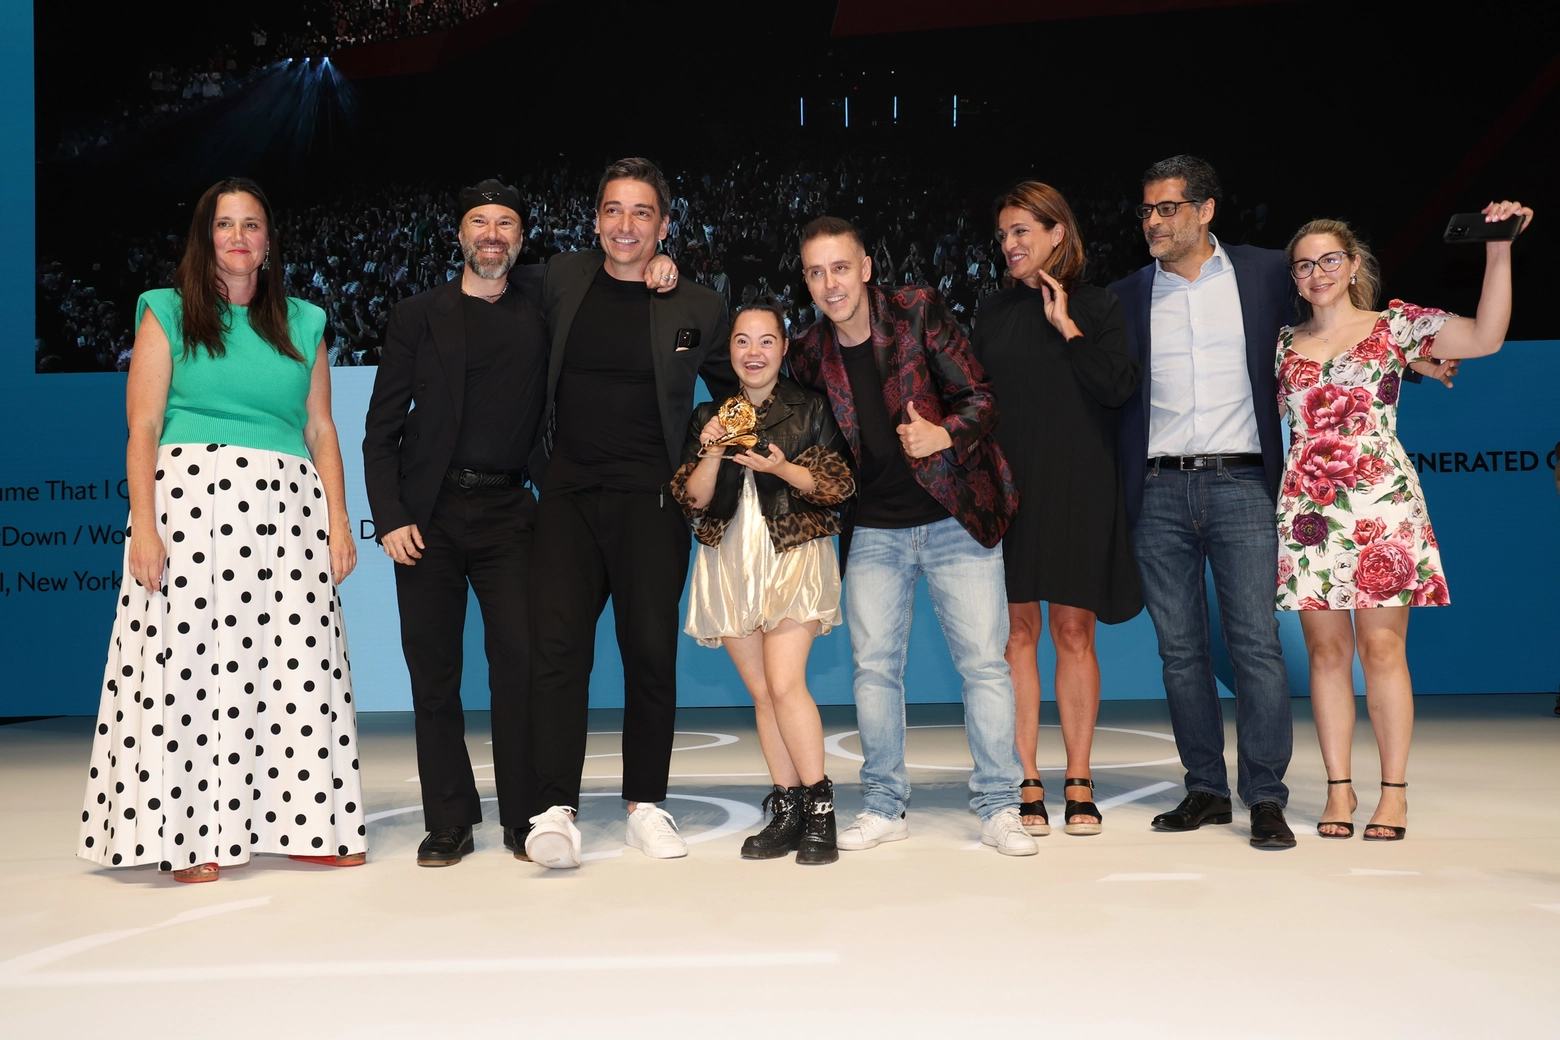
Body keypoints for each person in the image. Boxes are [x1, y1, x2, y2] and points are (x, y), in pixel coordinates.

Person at [363, 179, 682, 868]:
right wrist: (389, 515)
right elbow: (381, 427)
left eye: (506, 223)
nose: (492, 234)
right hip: (427, 519)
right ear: (459, 233)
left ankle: (522, 815)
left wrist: (665, 263)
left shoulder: (543, 299)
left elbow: (619, 268)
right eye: (479, 221)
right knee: (434, 673)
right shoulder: (417, 315)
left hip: (512, 512)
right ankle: (448, 817)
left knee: (521, 667)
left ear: (520, 239)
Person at [78, 177, 364, 882]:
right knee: (195, 671)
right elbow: (141, 426)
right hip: (191, 507)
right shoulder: (166, 312)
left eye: (252, 225)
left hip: (287, 514)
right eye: (224, 225)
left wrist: (338, 522)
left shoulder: (305, 321)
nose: (238, 237)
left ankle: (307, 820)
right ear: (205, 239)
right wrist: (144, 526)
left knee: (296, 665)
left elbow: (321, 427)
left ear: (270, 243)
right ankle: (191, 836)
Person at [1277, 204, 1532, 840]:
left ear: (1354, 264)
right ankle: (1339, 789)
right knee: (1326, 652)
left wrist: (1497, 249)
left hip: (1380, 503)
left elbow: (1486, 337)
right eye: (1304, 265)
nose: (1317, 273)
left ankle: (1394, 793)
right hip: (1309, 508)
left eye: (1329, 260)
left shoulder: (1396, 325)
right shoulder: (1282, 343)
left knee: (1382, 648)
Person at [790, 215, 1037, 857]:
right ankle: (882, 806)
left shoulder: (917, 311)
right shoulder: (808, 351)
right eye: (815, 272)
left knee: (984, 665)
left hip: (954, 511)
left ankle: (999, 807)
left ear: (866, 267)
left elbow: (981, 396)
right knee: (874, 670)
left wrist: (943, 434)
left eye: (840, 267)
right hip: (873, 528)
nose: (829, 283)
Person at [524, 158, 733, 869]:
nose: (625, 225)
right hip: (567, 498)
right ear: (595, 220)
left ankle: (647, 803)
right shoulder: (559, 278)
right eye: (613, 210)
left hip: (653, 501)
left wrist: (714, 450)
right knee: (557, 653)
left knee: (649, 655)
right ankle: (554, 808)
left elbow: (743, 390)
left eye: (642, 213)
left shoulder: (698, 305)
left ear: (664, 226)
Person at [1108, 155, 1303, 849]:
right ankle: (1205, 790)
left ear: (1206, 209)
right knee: (1181, 653)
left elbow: (1339, 320)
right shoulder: (1126, 295)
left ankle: (1267, 796)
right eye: (1146, 211)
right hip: (1157, 491)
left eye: (1166, 209)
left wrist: (1419, 355)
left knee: (1255, 646)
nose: (1152, 222)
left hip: (1244, 485)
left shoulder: (1269, 273)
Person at [973, 182, 1142, 838]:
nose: (1010, 245)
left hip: (1079, 486)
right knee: (1015, 635)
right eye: (1004, 235)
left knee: (1075, 633)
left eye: (1022, 231)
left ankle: (1078, 777)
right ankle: (1025, 777)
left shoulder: (1099, 308)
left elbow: (1116, 387)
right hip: (1009, 490)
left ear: (1057, 234)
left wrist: (1067, 328)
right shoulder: (989, 312)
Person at [671, 298, 856, 865]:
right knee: (761, 693)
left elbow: (836, 486)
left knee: (784, 682)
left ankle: (821, 806)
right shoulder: (711, 415)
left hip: (792, 553)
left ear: (783, 348)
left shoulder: (810, 407)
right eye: (743, 342)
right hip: (729, 559)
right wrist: (714, 450)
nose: (754, 352)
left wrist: (779, 467)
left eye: (766, 341)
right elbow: (692, 499)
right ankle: (789, 805)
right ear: (729, 351)